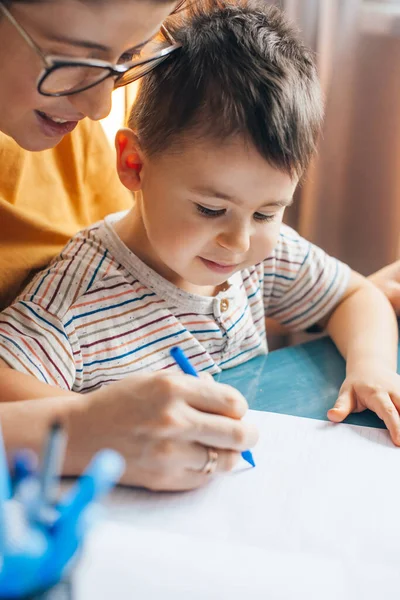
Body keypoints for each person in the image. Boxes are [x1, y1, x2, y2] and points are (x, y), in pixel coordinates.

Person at [1, 0, 400, 471]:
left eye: (268, 212)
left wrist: (372, 365)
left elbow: (354, 294)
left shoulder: (255, 253)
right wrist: (89, 427)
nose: (238, 242)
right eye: (211, 209)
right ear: (134, 165)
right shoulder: (73, 302)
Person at [0, 0, 258, 492]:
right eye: (73, 60)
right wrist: (78, 432)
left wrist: (343, 299)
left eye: (127, 58)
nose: (99, 107)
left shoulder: (62, 126)